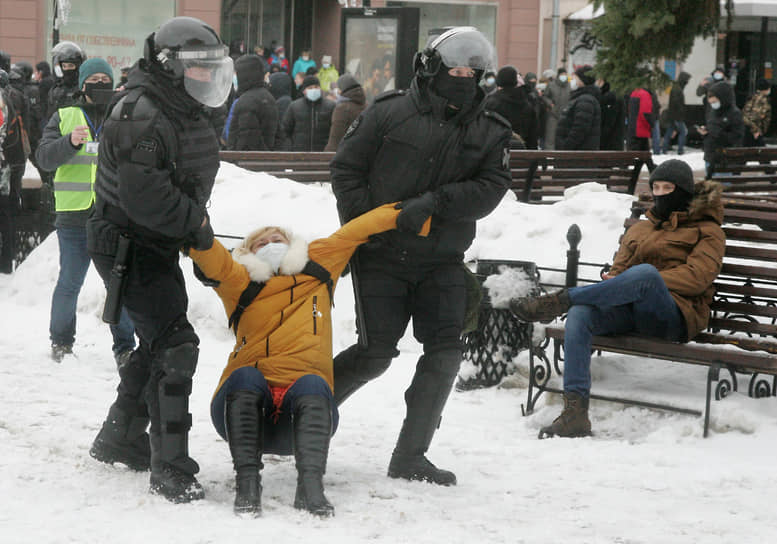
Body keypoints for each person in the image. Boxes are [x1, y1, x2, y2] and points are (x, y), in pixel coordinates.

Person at [330, 26, 512, 486]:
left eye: (472, 72)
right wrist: (364, 227)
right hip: (381, 257)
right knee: (375, 353)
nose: (462, 79)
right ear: (431, 68)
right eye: (454, 70)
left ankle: (411, 455)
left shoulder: (490, 131)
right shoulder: (388, 113)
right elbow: (347, 169)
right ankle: (301, 411)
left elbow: (491, 189)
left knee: (445, 353)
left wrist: (436, 202)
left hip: (442, 258)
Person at [188, 205, 431, 517]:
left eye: (278, 240)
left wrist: (410, 214)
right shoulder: (238, 281)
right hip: (239, 413)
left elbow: (355, 231)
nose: (271, 245)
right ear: (247, 253)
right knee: (246, 375)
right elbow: (212, 257)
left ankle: (310, 488)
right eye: (261, 243)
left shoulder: (318, 266)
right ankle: (247, 485)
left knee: (314, 382)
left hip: (301, 419)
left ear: (293, 247)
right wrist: (195, 226)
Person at [86, 16, 233, 503]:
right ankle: (169, 466)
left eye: (213, 69)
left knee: (156, 340)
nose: (208, 78)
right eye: (199, 69)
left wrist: (192, 229)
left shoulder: (182, 109)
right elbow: (146, 197)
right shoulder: (141, 113)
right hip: (125, 241)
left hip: (153, 240)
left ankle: (120, 438)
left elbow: (183, 184)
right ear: (169, 68)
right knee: (176, 343)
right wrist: (196, 225)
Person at [509, 159, 725, 438]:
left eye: (668, 187)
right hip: (630, 311)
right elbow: (618, 272)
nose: (660, 194)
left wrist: (648, 281)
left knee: (646, 275)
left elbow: (697, 277)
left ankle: (561, 300)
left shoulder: (708, 230)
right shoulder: (640, 229)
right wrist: (619, 280)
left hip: (674, 315)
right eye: (656, 187)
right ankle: (575, 414)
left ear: (683, 191)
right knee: (580, 314)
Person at [35, 57, 136, 364]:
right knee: (70, 281)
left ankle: (125, 348)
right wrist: (69, 142)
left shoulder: (123, 115)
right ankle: (61, 344)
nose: (101, 87)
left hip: (113, 214)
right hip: (74, 216)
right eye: (95, 82)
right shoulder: (65, 115)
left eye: (107, 82)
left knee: (118, 283)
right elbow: (44, 158)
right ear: (83, 85)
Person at [224, 54, 277, 151]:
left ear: (244, 75)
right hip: (265, 157)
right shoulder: (268, 96)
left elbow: (247, 139)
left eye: (237, 73)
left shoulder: (246, 101)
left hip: (247, 161)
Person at [698, 81, 744, 178]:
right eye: (711, 102)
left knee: (722, 187)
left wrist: (717, 133)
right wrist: (705, 132)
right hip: (710, 156)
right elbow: (712, 128)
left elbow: (736, 137)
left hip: (724, 160)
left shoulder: (734, 113)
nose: (713, 104)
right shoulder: (713, 112)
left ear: (723, 99)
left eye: (714, 102)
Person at [485, 65, 537, 149]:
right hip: (522, 153)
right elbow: (532, 136)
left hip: (495, 152)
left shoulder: (491, 103)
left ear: (499, 80)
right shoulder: (527, 105)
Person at [280, 75, 335, 151]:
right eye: (310, 88)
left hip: (323, 153)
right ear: (304, 91)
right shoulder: (294, 107)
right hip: (299, 154)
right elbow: (285, 130)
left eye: (316, 87)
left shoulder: (331, 106)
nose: (314, 90)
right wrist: (290, 148)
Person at [556, 65, 601, 150]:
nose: (573, 81)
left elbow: (580, 129)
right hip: (577, 152)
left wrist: (566, 147)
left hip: (579, 153)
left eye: (575, 78)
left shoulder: (585, 100)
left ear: (582, 80)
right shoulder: (581, 98)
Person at [324, 73, 366, 152]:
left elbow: (335, 139)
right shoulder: (366, 106)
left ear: (342, 89)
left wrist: (326, 157)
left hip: (346, 156)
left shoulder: (342, 109)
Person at [47, 41, 87, 119]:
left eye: (70, 66)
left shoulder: (83, 88)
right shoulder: (56, 89)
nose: (67, 69)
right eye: (64, 66)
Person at [662, 72, 691, 155]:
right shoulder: (678, 89)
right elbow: (677, 104)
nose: (687, 82)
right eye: (687, 80)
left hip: (673, 116)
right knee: (683, 132)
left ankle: (664, 149)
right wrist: (680, 116)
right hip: (677, 116)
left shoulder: (676, 88)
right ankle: (680, 150)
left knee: (669, 132)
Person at [543, 67, 570, 149]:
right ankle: (549, 156)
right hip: (553, 114)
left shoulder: (569, 85)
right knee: (550, 137)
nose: (564, 76)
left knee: (563, 136)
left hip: (566, 115)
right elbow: (545, 96)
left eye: (565, 74)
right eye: (562, 74)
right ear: (558, 75)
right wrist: (550, 103)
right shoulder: (551, 84)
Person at [742, 78, 772, 147]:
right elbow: (755, 117)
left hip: (749, 130)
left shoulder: (753, 97)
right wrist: (755, 131)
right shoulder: (762, 100)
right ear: (766, 89)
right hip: (754, 132)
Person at [597, 78, 624, 150]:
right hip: (614, 140)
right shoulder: (614, 94)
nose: (597, 83)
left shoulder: (609, 97)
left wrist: (601, 139)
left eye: (599, 80)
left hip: (610, 142)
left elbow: (608, 122)